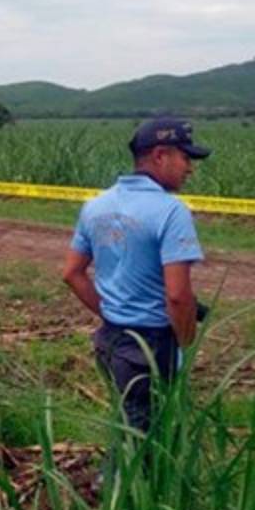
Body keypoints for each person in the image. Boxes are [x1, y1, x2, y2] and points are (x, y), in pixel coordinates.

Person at [61, 117, 210, 434]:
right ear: (160, 155)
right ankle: (113, 483)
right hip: (152, 347)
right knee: (143, 445)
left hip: (110, 341)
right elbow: (178, 296)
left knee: (130, 424)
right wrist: (184, 348)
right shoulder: (172, 211)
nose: (190, 168)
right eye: (185, 158)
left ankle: (118, 479)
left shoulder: (95, 206)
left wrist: (115, 314)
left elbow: (72, 273)